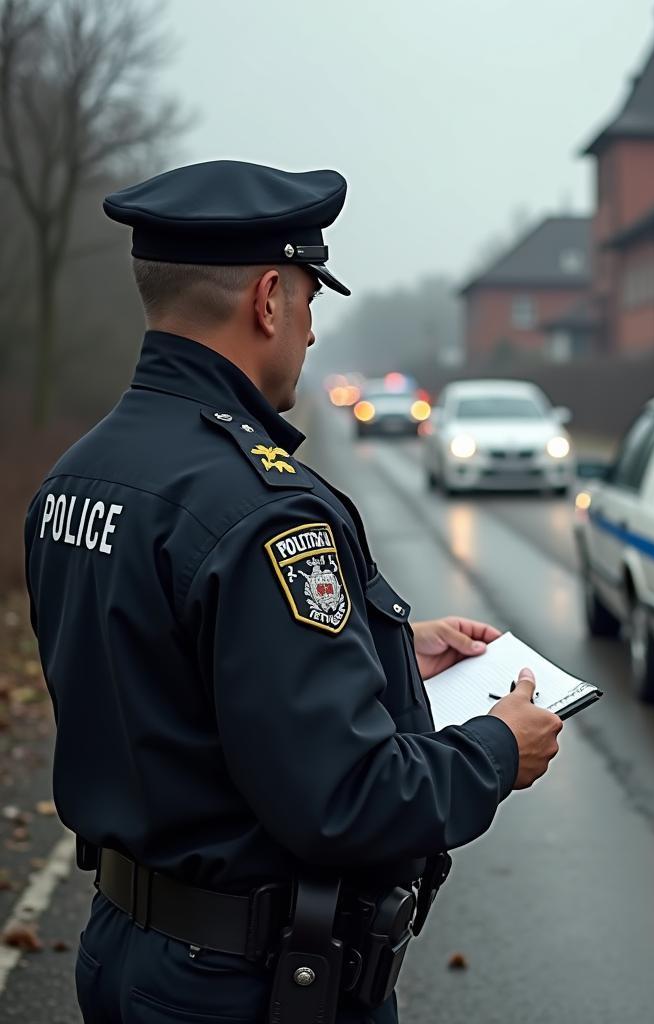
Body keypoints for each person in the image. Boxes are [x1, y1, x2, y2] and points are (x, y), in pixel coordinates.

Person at [23, 159, 563, 1024]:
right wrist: (500, 751)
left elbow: (172, 676)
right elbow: (347, 800)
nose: (311, 333)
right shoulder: (263, 511)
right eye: (311, 301)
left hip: (124, 947)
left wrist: (385, 649)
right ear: (269, 298)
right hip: (242, 982)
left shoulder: (78, 476)